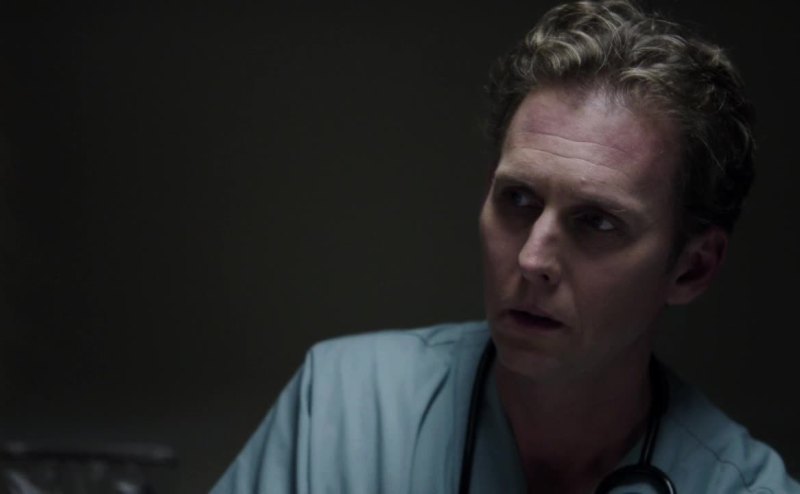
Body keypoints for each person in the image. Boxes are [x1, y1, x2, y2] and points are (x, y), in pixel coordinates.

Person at [212, 1, 799, 492]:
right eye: (518, 199)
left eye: (596, 222)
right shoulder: (342, 407)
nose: (531, 259)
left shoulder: (745, 487)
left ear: (692, 269)